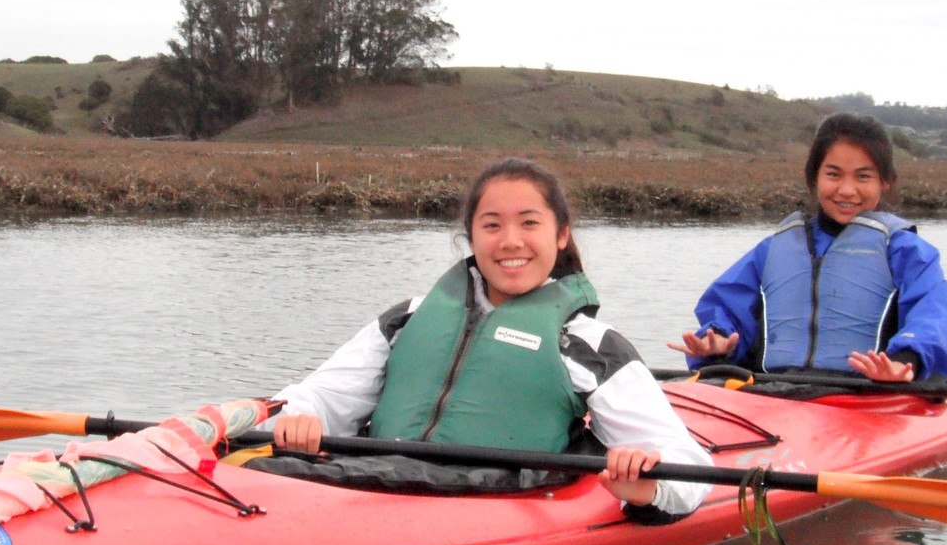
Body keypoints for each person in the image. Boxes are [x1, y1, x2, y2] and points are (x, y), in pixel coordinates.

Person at [270, 157, 711, 517]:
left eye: (529, 224)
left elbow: (684, 463)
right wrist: (304, 416)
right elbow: (323, 396)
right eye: (492, 225)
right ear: (472, 238)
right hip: (369, 481)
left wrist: (648, 483)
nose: (510, 241)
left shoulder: (589, 345)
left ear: (561, 235)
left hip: (490, 499)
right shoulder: (409, 317)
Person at [669, 112, 947, 382]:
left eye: (863, 176)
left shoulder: (904, 250)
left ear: (885, 182)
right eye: (833, 174)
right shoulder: (773, 250)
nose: (847, 190)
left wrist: (906, 361)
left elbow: (939, 316)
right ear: (815, 177)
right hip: (777, 393)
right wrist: (717, 340)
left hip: (870, 395)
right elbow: (726, 307)